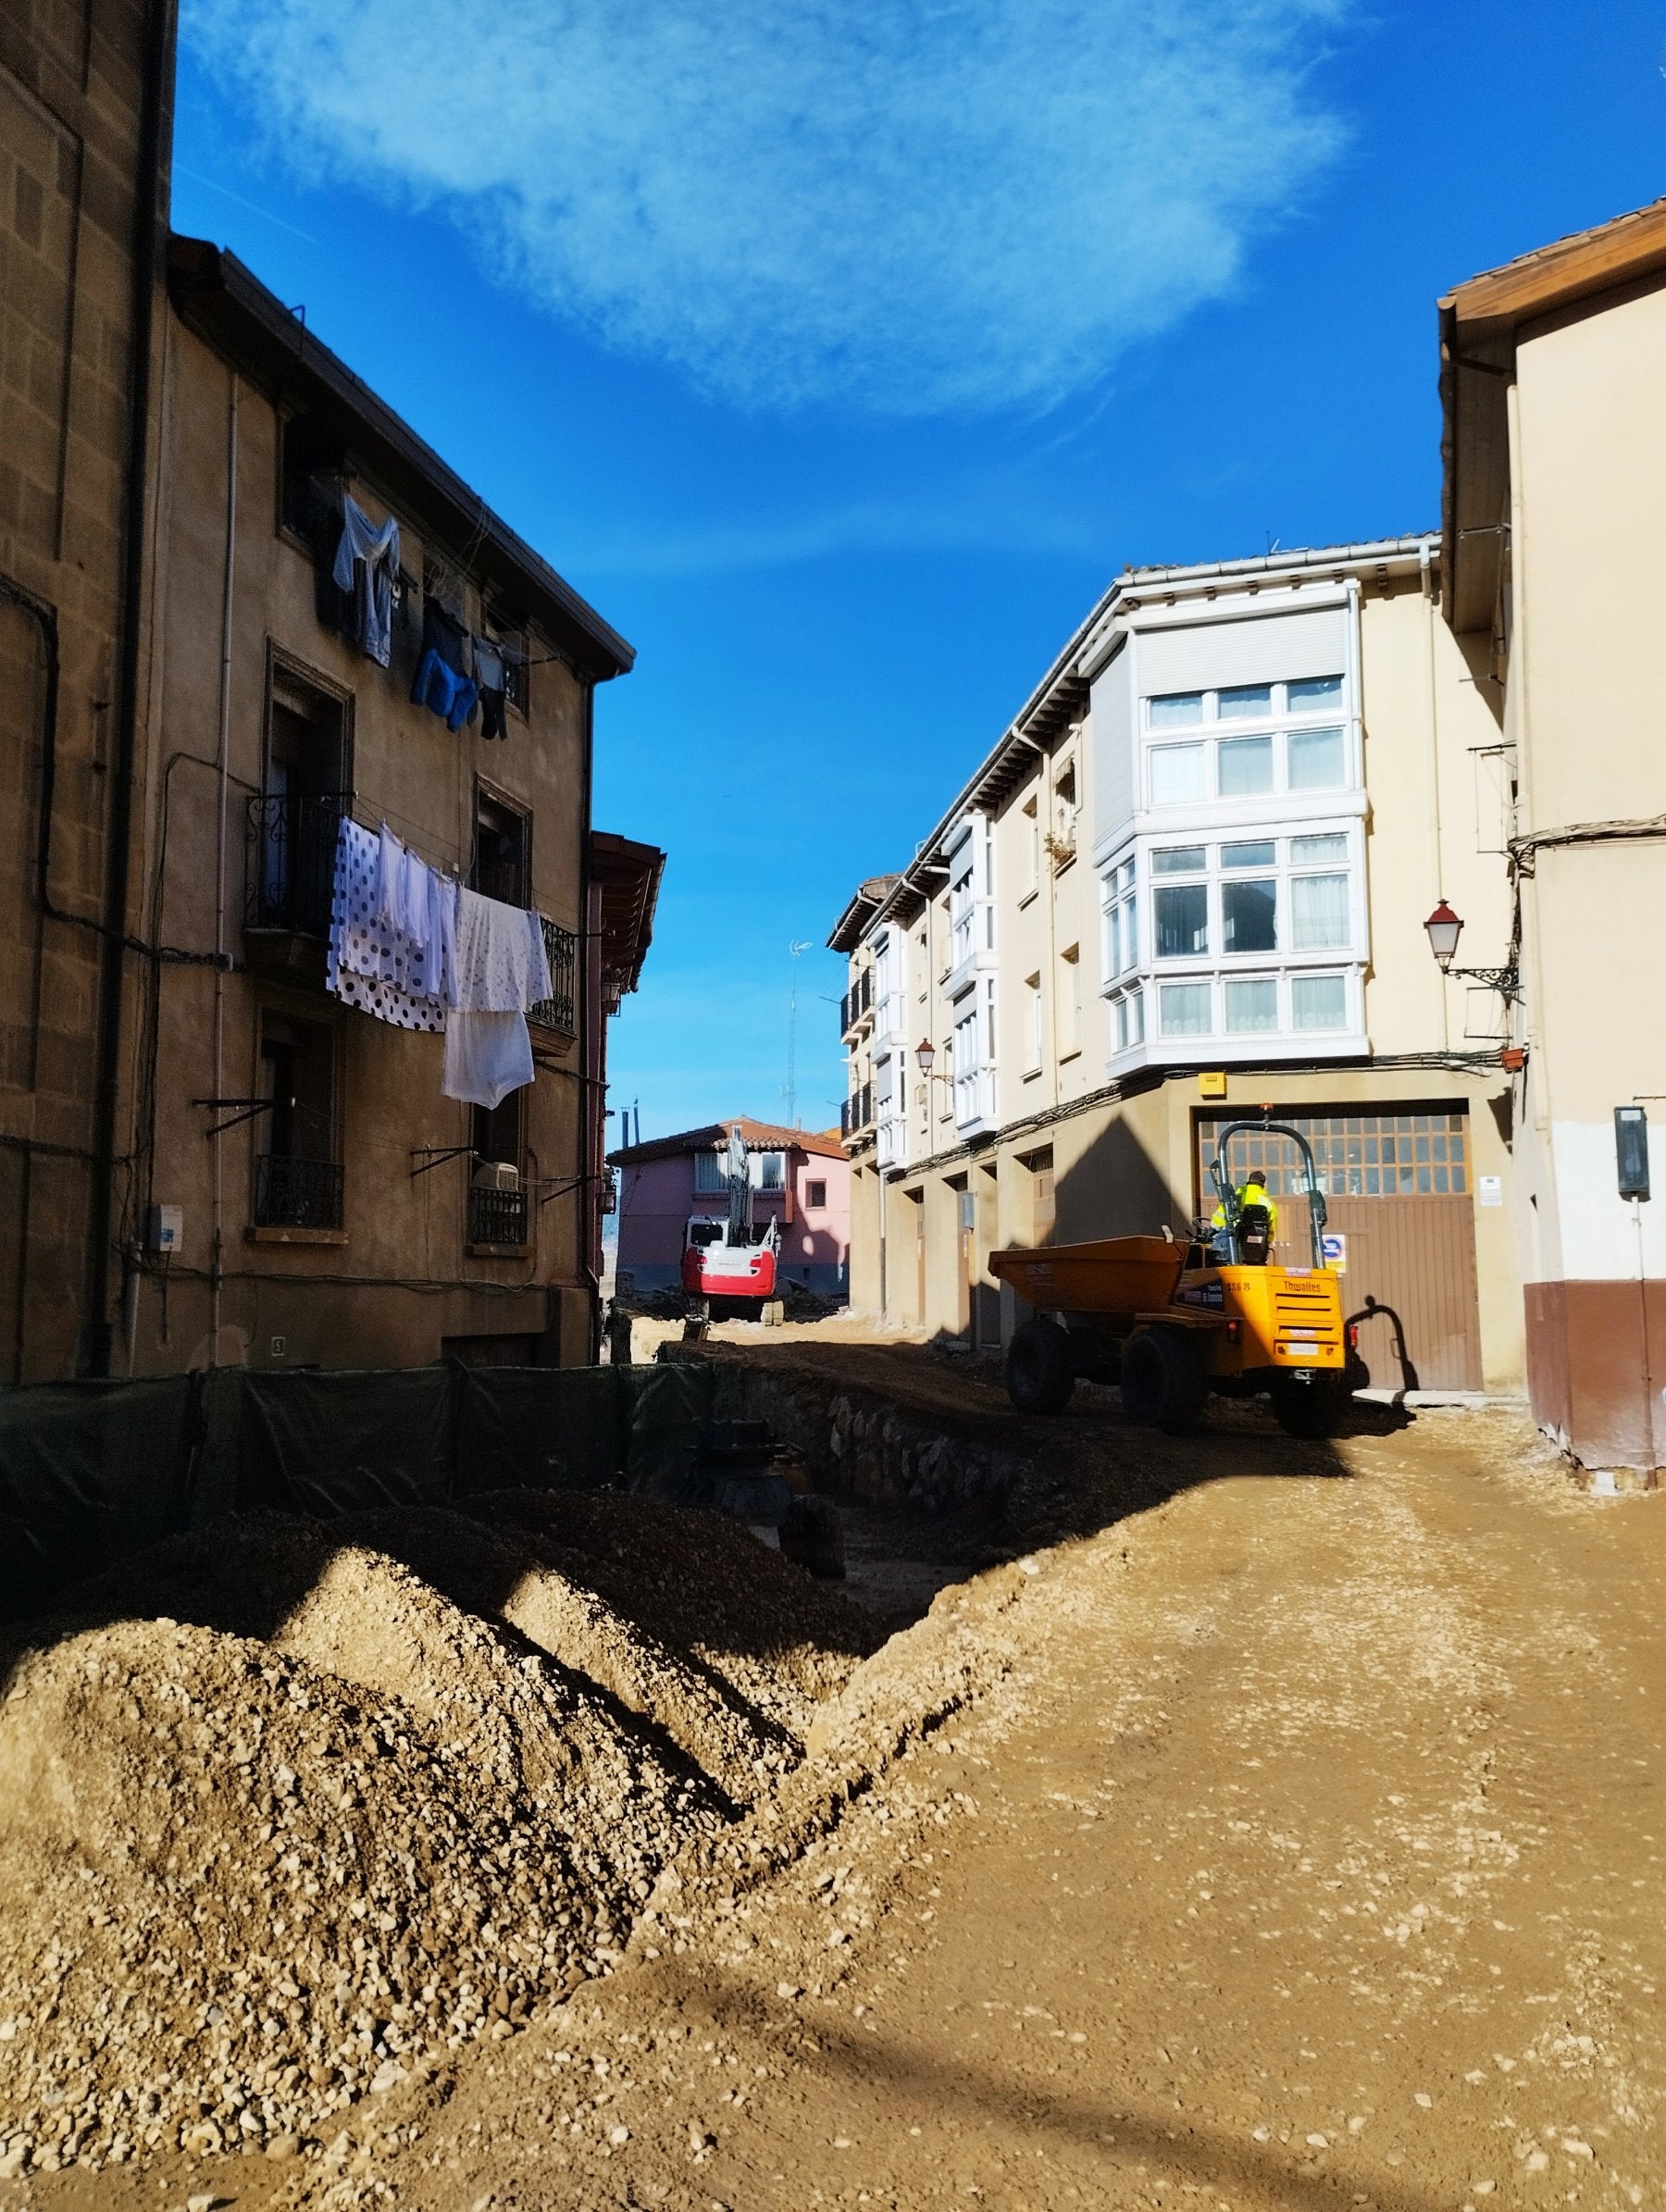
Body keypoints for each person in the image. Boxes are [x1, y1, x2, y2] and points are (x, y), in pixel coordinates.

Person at [1211, 1172, 1279, 1241]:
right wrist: (1265, 1245)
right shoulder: (1269, 1203)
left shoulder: (1238, 1194)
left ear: (1249, 1180)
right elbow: (1271, 1230)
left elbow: (1221, 1214)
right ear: (1262, 1184)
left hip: (1234, 1239)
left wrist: (1213, 1228)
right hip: (1258, 1245)